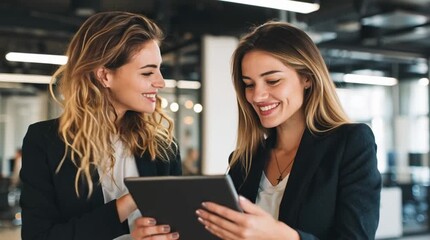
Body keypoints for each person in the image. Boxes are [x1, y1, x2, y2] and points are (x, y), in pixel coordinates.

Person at [196, 21, 381, 239]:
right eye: (249, 84)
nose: (257, 96)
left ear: (307, 78)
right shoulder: (243, 161)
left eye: (272, 81)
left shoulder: (350, 143)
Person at [20, 11, 181, 240]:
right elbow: (38, 237)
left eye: (159, 69)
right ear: (105, 75)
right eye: (147, 72)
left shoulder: (162, 145)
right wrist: (128, 202)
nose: (160, 82)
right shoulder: (45, 141)